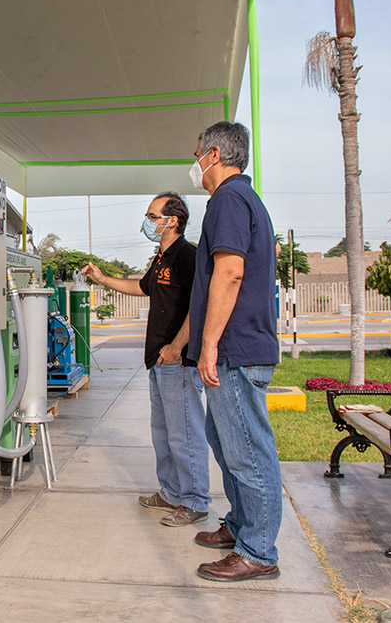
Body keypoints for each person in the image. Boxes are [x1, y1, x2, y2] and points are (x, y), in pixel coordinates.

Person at [186, 121, 282, 582]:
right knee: (226, 443)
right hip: (238, 348)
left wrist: (208, 345)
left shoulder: (226, 199)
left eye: (198, 154)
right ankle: (243, 526)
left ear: (215, 154)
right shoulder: (243, 199)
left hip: (235, 349)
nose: (196, 164)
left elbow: (229, 273)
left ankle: (258, 552)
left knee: (247, 451)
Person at [81, 192, 211, 528]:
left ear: (173, 220)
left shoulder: (187, 255)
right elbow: (142, 287)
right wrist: (102, 278)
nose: (148, 222)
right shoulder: (162, 258)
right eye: (149, 215)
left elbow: (200, 304)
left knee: (184, 433)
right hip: (158, 360)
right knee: (164, 432)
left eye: (153, 216)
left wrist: (177, 346)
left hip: (177, 360)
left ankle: (195, 500)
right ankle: (170, 492)